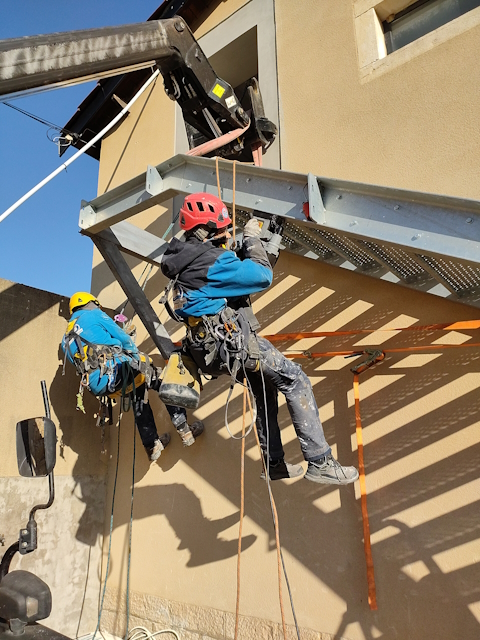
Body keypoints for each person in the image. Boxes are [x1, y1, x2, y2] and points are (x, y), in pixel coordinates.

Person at [160, 192, 359, 485]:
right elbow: (262, 276)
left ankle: (273, 462)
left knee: (265, 389)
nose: (226, 234)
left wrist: (252, 247)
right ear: (207, 231)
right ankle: (320, 461)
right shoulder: (211, 260)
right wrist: (252, 239)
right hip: (233, 344)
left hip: (209, 351)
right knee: (295, 379)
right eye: (221, 230)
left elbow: (232, 282)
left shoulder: (184, 261)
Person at [61, 292, 203, 461]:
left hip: (100, 385)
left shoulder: (65, 339)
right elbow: (121, 337)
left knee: (138, 394)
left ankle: (152, 446)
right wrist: (135, 353)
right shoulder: (93, 314)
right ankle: (185, 430)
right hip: (116, 371)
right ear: (91, 302)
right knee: (158, 379)